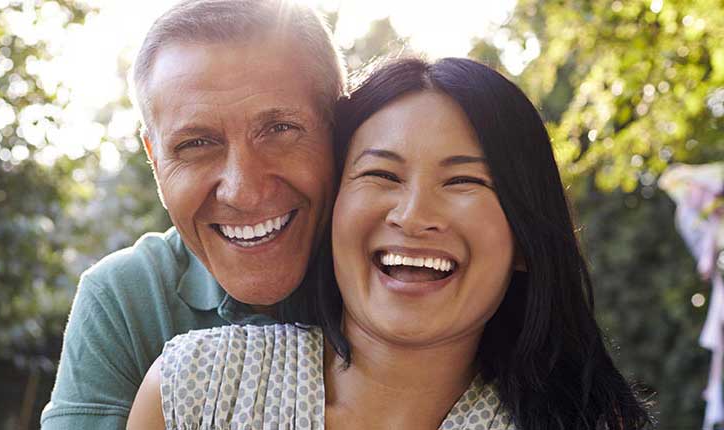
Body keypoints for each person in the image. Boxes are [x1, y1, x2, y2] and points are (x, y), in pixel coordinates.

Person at [127, 58, 653, 429]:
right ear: (334, 211)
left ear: (524, 239)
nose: (414, 215)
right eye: (382, 174)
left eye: (464, 182)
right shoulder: (196, 389)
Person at [40, 1, 345, 428]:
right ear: (154, 159)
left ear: (340, 129)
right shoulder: (125, 301)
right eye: (196, 144)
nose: (244, 192)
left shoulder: (408, 277)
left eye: (280, 130)